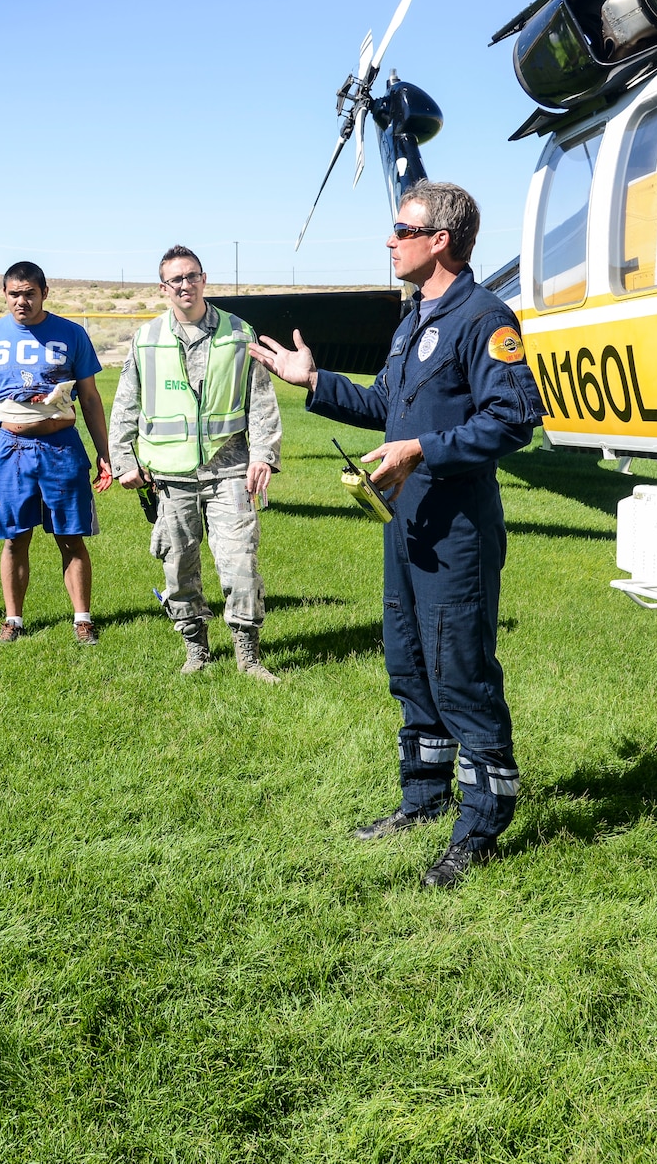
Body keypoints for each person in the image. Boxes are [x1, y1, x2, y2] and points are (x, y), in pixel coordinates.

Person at [252, 183, 544, 890]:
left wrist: (422, 451)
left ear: (439, 238)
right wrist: (314, 378)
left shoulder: (484, 317)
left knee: (460, 674)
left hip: (457, 528)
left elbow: (514, 418)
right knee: (410, 663)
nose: (390, 240)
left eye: (400, 228)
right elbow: (388, 402)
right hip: (403, 523)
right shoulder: (414, 318)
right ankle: (423, 797)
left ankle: (480, 824)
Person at [111, 245, 282, 678]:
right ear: (163, 287)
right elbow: (125, 404)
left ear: (204, 279)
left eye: (192, 276)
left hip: (229, 471)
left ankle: (248, 654)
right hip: (170, 476)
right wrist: (123, 459)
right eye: (175, 280)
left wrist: (263, 455)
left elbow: (261, 402)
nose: (184, 285)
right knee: (178, 565)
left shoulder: (239, 332)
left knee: (240, 563)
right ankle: (196, 649)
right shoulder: (146, 338)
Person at [0, 260, 111, 644]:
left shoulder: (72, 334)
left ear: (45, 292)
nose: (21, 301)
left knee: (71, 536)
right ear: (5, 295)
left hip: (62, 449)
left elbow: (90, 399)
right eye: (14, 294)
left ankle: (82, 619)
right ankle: (14, 620)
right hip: (10, 450)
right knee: (15, 537)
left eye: (29, 293)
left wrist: (104, 452)